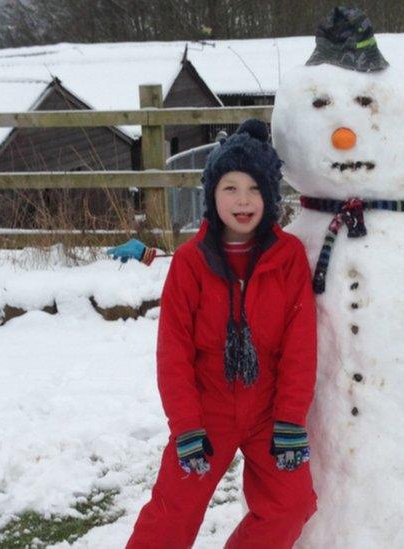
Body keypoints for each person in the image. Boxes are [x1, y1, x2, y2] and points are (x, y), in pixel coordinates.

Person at [124, 119, 318, 549]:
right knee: (171, 516)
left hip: (269, 412)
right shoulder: (191, 262)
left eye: (254, 189)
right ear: (212, 194)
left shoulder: (288, 259)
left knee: (292, 503)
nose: (243, 201)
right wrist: (186, 426)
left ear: (269, 196)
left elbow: (300, 347)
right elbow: (172, 352)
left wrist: (289, 420)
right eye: (230, 187)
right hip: (205, 412)